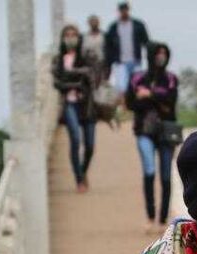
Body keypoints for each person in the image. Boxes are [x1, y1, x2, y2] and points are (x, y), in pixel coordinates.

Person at [126, 42, 178, 233]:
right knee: (149, 172)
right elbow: (131, 103)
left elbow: (171, 102)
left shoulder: (171, 78)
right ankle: (149, 216)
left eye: (164, 53)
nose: (161, 57)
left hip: (166, 131)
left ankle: (163, 219)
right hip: (143, 130)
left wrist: (149, 95)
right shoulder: (137, 77)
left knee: (166, 176)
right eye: (158, 53)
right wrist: (156, 99)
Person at [53, 25, 96, 192]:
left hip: (87, 105)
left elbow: (91, 77)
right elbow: (57, 82)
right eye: (67, 35)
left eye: (73, 35)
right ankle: (78, 180)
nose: (71, 38)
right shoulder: (59, 60)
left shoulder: (86, 56)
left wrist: (71, 78)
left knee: (90, 146)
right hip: (69, 103)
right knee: (75, 139)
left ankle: (82, 171)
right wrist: (77, 81)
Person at [105, 2, 149, 96]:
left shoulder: (138, 25)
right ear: (119, 11)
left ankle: (135, 107)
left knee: (137, 85)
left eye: (125, 9)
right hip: (120, 62)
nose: (124, 12)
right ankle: (123, 108)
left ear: (128, 10)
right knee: (121, 87)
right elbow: (109, 47)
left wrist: (149, 56)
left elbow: (146, 42)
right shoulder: (113, 27)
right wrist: (108, 65)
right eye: (122, 10)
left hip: (135, 61)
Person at [83, 14, 107, 84]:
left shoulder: (104, 36)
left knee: (100, 83)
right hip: (88, 64)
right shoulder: (84, 36)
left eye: (95, 21)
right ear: (88, 23)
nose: (93, 23)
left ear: (99, 22)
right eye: (92, 21)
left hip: (101, 63)